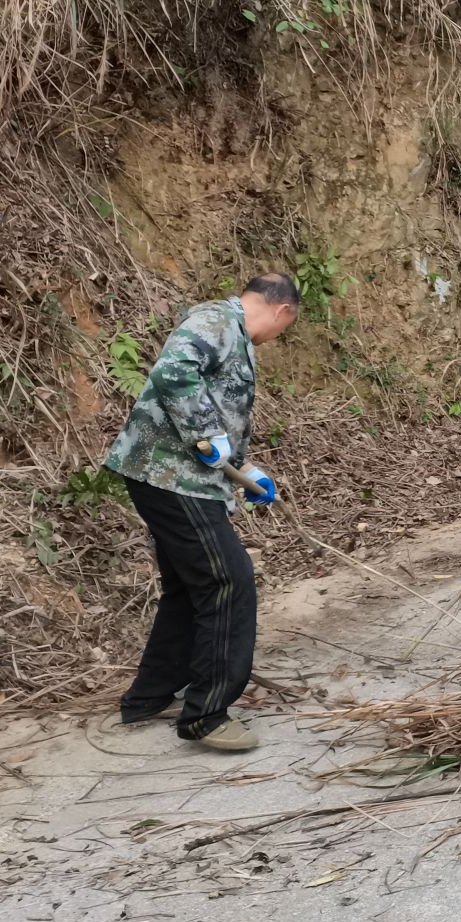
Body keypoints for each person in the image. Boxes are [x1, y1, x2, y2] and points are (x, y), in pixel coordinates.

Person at [105, 274, 301, 753]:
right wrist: (204, 432)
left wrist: (246, 469)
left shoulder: (233, 334)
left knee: (188, 587)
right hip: (171, 477)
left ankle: (149, 696)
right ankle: (206, 716)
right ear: (282, 312)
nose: (278, 336)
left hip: (177, 476)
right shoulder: (217, 320)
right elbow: (173, 371)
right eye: (286, 327)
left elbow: (219, 415)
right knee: (227, 582)